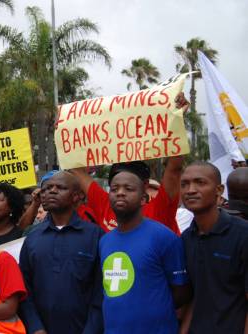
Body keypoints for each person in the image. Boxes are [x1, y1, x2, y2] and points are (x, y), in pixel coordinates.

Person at [69, 93, 190, 235]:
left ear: (144, 187)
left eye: (128, 187)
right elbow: (76, 169)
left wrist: (177, 120)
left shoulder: (159, 209)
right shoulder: (105, 204)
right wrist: (67, 128)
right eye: (115, 186)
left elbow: (174, 169)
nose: (120, 193)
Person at [99, 169, 190, 333]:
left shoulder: (164, 237)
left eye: (128, 189)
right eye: (114, 189)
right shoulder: (104, 241)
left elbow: (181, 292)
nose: (120, 193)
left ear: (143, 199)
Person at [19, 171, 104, 334]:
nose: (51, 191)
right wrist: (36, 327)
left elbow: (101, 292)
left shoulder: (95, 235)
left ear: (77, 196)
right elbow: (24, 289)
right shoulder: (32, 238)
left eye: (60, 187)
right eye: (47, 188)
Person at [180, 162, 248, 333]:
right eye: (184, 184)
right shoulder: (186, 239)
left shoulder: (242, 234)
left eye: (200, 183)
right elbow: (195, 297)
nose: (190, 190)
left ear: (219, 190)